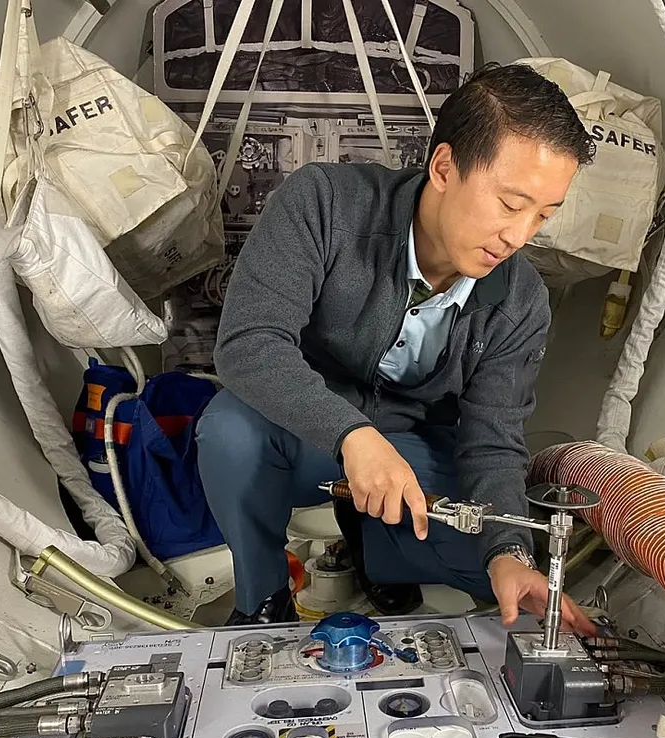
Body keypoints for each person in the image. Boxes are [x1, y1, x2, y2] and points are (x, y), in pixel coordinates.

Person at [196, 62, 597, 636]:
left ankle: (372, 543)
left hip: (416, 449)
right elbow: (249, 343)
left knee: (491, 567)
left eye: (543, 215)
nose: (519, 236)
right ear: (444, 167)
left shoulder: (521, 299)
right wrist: (353, 436)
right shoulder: (324, 203)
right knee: (230, 430)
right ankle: (262, 593)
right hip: (310, 432)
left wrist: (510, 551)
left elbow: (493, 441)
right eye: (511, 205)